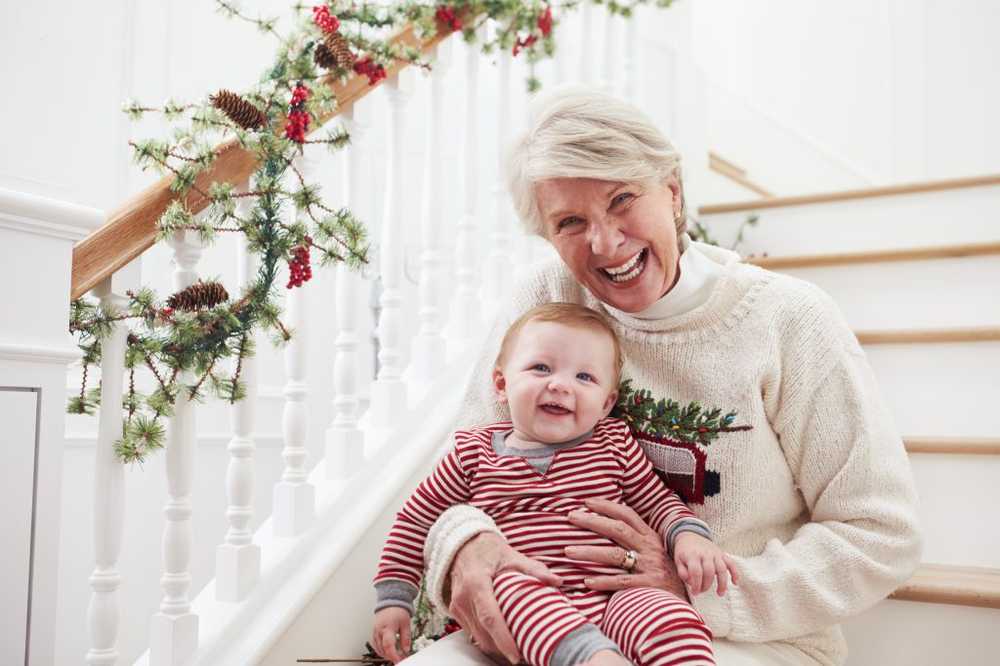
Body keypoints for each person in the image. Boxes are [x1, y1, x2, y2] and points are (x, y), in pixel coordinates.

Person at [403, 86, 922, 666]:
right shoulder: (546, 299)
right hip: (548, 618)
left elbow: (880, 534)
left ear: (672, 191)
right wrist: (466, 545)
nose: (604, 242)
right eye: (570, 221)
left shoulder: (788, 320)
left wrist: (695, 589)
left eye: (622, 199)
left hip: (741, 634)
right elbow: (461, 475)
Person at [372, 303, 741, 666]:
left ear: (605, 403)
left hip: (615, 595)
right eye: (541, 367)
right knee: (506, 584)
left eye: (585, 377)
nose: (560, 384)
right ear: (501, 384)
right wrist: (394, 599)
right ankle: (596, 659)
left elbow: (658, 503)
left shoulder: (614, 445)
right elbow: (416, 521)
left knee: (665, 613)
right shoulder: (472, 453)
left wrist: (690, 536)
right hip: (532, 597)